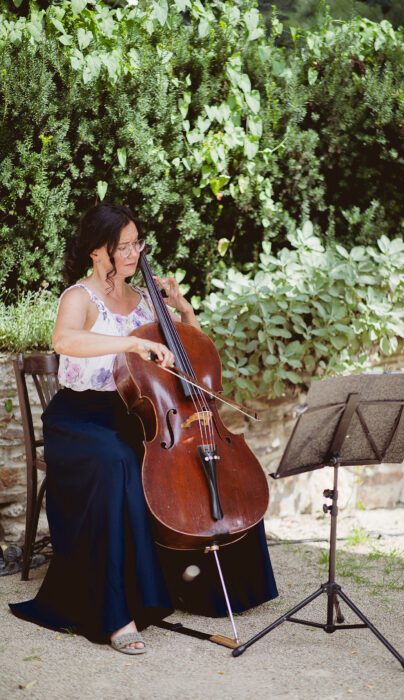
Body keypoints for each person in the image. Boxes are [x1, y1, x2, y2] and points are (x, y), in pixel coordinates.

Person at [10, 203, 277, 654]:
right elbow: (64, 340)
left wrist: (181, 307)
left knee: (199, 459)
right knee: (118, 462)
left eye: (138, 244)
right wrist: (132, 340)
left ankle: (211, 589)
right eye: (124, 246)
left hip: (138, 413)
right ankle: (117, 614)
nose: (134, 253)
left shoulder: (147, 298)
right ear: (98, 252)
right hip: (80, 421)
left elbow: (192, 350)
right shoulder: (79, 297)